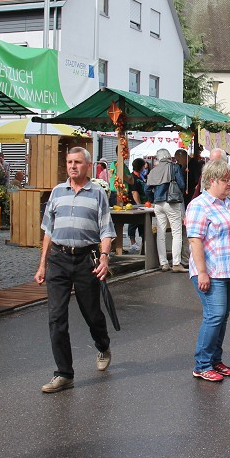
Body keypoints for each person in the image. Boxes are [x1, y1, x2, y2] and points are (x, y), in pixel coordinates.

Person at [34, 147, 115, 394]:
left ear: (87, 166)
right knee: (56, 317)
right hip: (59, 258)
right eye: (69, 161)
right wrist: (42, 264)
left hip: (85, 259)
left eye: (77, 162)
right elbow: (48, 230)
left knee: (92, 313)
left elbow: (106, 230)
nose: (72, 166)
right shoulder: (57, 192)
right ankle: (64, 373)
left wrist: (104, 257)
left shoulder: (98, 193)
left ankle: (102, 344)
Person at [185, 159, 230, 382]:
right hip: (212, 271)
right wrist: (202, 272)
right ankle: (202, 364)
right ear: (212, 180)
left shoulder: (226, 203)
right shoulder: (199, 205)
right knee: (215, 315)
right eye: (225, 180)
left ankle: (215, 360)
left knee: (222, 317)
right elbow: (195, 241)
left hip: (229, 270)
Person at [146, 148, 186, 272]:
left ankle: (163, 263)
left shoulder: (153, 170)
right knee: (176, 232)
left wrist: (154, 198)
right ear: (169, 156)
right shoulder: (174, 167)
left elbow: (146, 189)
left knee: (161, 233)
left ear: (158, 158)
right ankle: (176, 263)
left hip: (158, 204)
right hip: (172, 202)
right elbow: (182, 184)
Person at [126, 158, 147, 251]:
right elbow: (134, 192)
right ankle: (133, 243)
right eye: (143, 166)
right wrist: (138, 204)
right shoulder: (133, 178)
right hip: (134, 204)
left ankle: (143, 243)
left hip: (143, 203)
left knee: (142, 224)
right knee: (133, 223)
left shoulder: (140, 177)